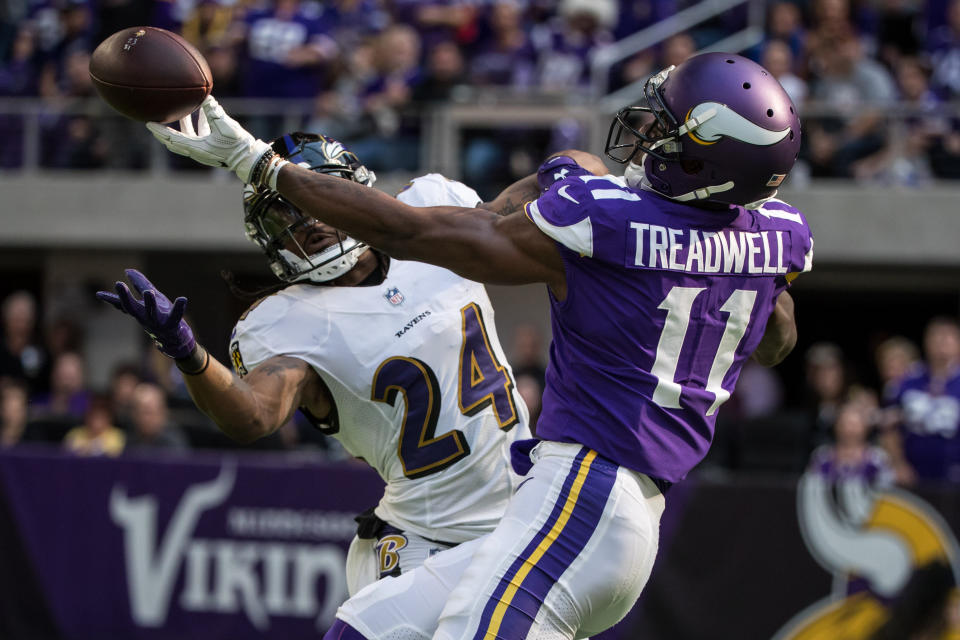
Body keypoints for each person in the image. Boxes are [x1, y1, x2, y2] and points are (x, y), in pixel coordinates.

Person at [144, 52, 811, 639]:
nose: (642, 137)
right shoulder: (775, 232)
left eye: (663, 129)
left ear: (702, 159)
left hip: (583, 494)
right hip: (582, 507)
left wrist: (252, 160)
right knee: (365, 626)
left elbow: (415, 233)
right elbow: (775, 335)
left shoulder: (607, 221)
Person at [97, 132, 543, 596]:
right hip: (424, 542)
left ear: (353, 187)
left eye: (313, 197)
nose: (306, 221)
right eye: (283, 213)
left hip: (522, 514)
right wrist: (187, 353)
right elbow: (253, 415)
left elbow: (536, 192)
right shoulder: (288, 321)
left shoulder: (431, 208)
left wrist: (610, 187)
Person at [882, 316, 960, 485]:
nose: (942, 342)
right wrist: (897, 463)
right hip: (912, 476)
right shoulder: (906, 380)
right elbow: (889, 428)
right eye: (936, 336)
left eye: (948, 337)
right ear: (926, 341)